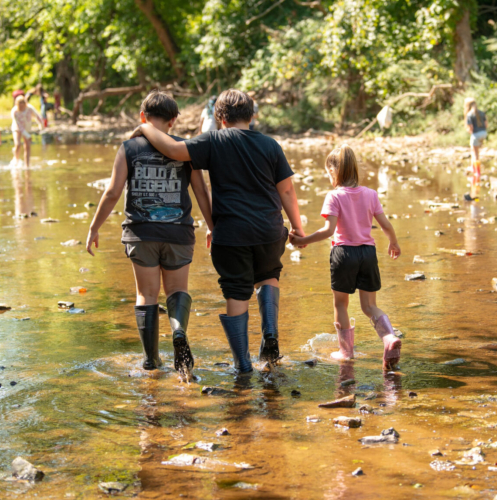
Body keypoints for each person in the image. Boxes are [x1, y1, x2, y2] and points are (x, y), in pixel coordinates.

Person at [131, 89, 306, 374]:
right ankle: (270, 334)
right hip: (269, 230)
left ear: (219, 117)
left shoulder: (213, 140)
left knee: (236, 292)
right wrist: (297, 227)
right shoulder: (270, 144)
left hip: (232, 232)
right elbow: (286, 189)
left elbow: (174, 150)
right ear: (252, 115)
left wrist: (145, 127)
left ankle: (243, 364)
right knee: (269, 276)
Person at [86, 91, 214, 377]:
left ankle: (150, 361)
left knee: (146, 294)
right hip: (179, 233)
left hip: (140, 233)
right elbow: (202, 192)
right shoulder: (185, 148)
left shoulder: (129, 148)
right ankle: (178, 330)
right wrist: (212, 226)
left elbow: (112, 192)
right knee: (177, 292)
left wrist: (94, 227)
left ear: (142, 117)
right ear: (173, 120)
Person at [289, 145, 402, 370]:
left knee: (341, 303)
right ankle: (389, 338)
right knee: (370, 306)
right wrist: (393, 241)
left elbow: (329, 231)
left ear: (335, 171)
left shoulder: (334, 196)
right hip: (368, 254)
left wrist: (303, 241)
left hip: (343, 253)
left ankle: (346, 352)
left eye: (329, 172)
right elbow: (385, 224)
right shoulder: (370, 194)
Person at [463, 97, 487, 200]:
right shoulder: (481, 112)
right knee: (477, 152)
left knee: (474, 153)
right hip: (483, 133)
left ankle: (476, 172)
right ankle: (475, 170)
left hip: (476, 134)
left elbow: (470, 128)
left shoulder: (469, 114)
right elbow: (486, 124)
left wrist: (470, 132)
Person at [10, 94, 43, 168]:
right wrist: (27, 135)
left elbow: (37, 116)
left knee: (27, 146)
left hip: (27, 128)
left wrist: (41, 125)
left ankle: (27, 165)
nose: (21, 107)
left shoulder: (30, 108)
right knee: (18, 144)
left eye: (23, 105)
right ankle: (16, 159)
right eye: (20, 106)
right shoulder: (14, 111)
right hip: (17, 128)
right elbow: (18, 125)